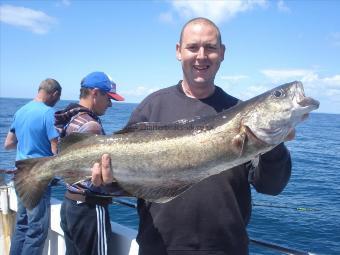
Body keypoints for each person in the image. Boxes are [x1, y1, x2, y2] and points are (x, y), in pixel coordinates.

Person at [125, 17, 294, 255]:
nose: (201, 56)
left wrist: (274, 145)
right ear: (178, 51)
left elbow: (271, 187)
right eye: (193, 47)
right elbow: (125, 184)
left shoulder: (241, 111)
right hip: (159, 248)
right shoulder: (151, 108)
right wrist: (107, 181)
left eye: (211, 47)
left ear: (222, 53)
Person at [54, 71, 124, 255]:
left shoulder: (73, 118)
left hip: (70, 203)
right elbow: (96, 176)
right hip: (89, 208)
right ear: (95, 93)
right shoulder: (91, 125)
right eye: (108, 98)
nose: (110, 104)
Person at [4, 78, 62, 255]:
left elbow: (8, 143)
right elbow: (55, 149)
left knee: (22, 225)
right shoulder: (48, 114)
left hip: (20, 175)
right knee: (36, 230)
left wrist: (27, 145)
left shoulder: (21, 111)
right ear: (55, 94)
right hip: (38, 177)